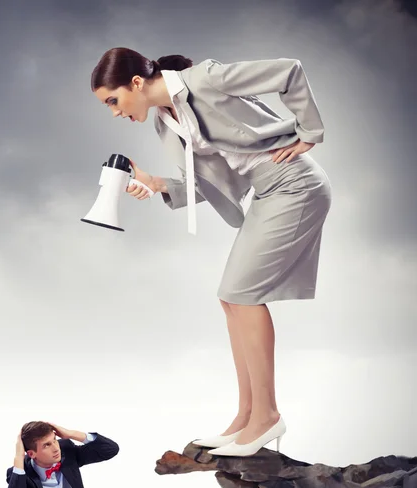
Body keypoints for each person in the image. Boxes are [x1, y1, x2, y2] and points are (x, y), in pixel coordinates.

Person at [91, 48, 332, 457]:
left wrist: (309, 132)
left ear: (135, 83)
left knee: (243, 296)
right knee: (230, 299)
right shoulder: (167, 124)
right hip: (268, 193)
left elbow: (289, 71)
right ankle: (246, 416)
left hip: (296, 185)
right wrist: (153, 182)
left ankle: (268, 417)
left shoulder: (207, 80)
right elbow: (206, 184)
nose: (113, 112)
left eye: (112, 101)